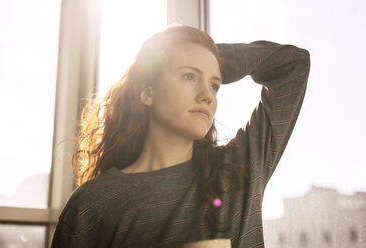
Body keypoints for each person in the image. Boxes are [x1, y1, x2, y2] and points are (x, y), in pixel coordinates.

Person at [51, 25, 310, 248]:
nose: (207, 96)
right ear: (148, 92)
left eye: (214, 85)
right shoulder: (91, 205)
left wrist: (209, 58)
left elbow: (292, 65)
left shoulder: (237, 170)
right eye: (189, 76)